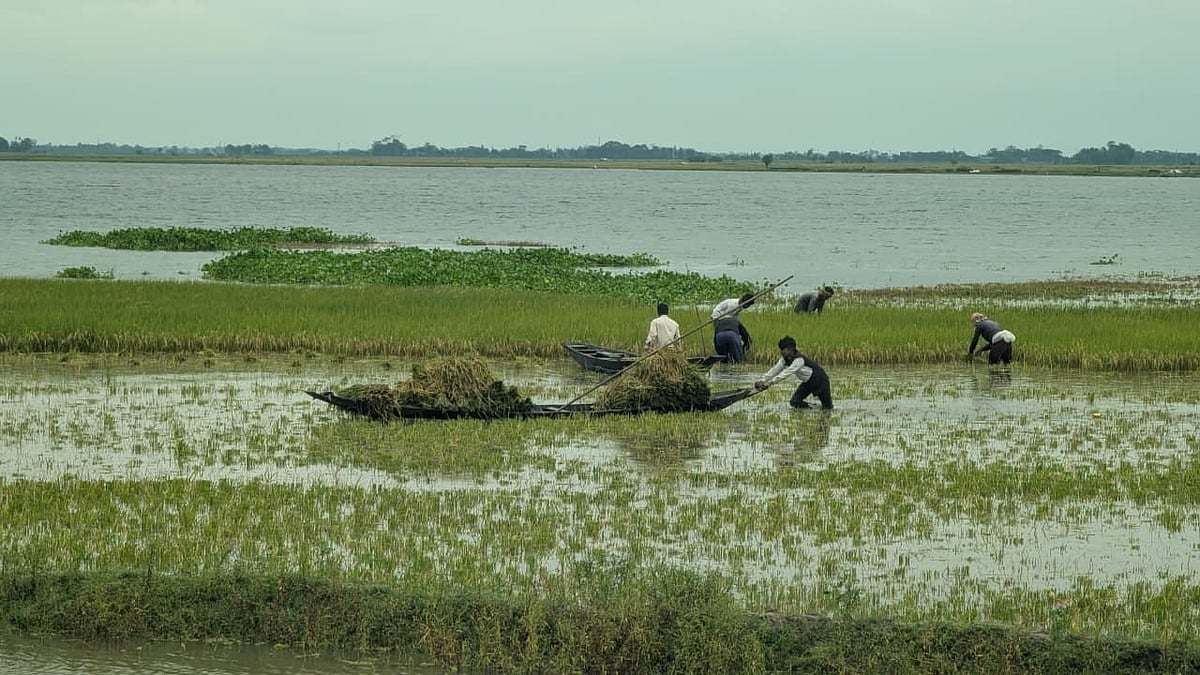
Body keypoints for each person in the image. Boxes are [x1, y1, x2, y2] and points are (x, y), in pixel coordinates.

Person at [755, 335, 833, 409]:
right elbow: (775, 370)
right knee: (795, 402)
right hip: (808, 382)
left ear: (790, 349)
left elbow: (786, 373)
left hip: (821, 380)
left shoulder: (799, 360)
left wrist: (770, 383)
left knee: (828, 408)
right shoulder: (784, 359)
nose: (781, 352)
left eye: (783, 349)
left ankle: (820, 409)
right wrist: (761, 380)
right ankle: (815, 407)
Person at [711, 292, 755, 363]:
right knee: (737, 359)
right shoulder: (733, 305)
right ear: (745, 302)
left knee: (723, 357)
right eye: (747, 305)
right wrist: (744, 347)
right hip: (717, 316)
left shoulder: (739, 307)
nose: (747, 307)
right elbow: (746, 337)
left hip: (721, 334)